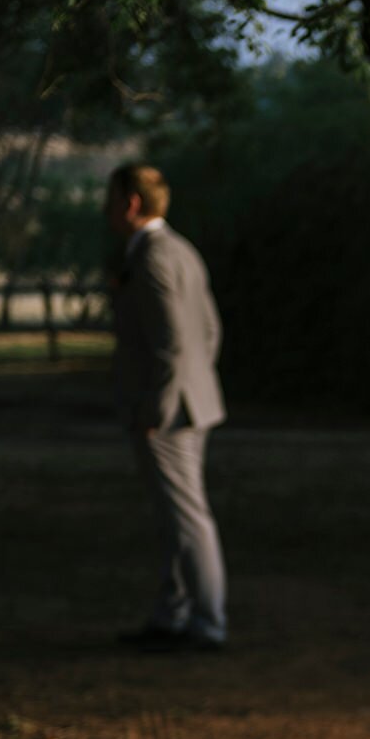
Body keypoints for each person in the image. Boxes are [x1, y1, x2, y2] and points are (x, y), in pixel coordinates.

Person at [105, 163, 229, 653]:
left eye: (110, 199)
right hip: (192, 404)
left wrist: (157, 406)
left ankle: (207, 622)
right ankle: (173, 614)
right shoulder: (182, 250)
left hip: (168, 412)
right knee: (175, 517)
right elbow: (210, 331)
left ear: (131, 203)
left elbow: (172, 343)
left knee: (187, 517)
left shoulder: (154, 257)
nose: (106, 210)